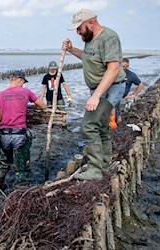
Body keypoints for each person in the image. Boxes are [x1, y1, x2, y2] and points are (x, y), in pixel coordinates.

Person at [62, 9, 125, 181]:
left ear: (90, 22)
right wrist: (71, 49)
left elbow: (113, 69)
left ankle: (96, 171)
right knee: (101, 127)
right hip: (99, 90)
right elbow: (88, 57)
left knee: (88, 126)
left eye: (79, 28)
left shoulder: (109, 37)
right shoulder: (89, 39)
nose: (77, 32)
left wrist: (96, 96)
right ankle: (103, 165)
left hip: (110, 89)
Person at [0, 70, 46, 190]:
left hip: (4, 136)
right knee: (22, 167)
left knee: (4, 163)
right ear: (18, 80)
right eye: (23, 82)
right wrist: (28, 105)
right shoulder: (26, 92)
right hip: (19, 135)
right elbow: (42, 105)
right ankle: (19, 192)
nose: (23, 84)